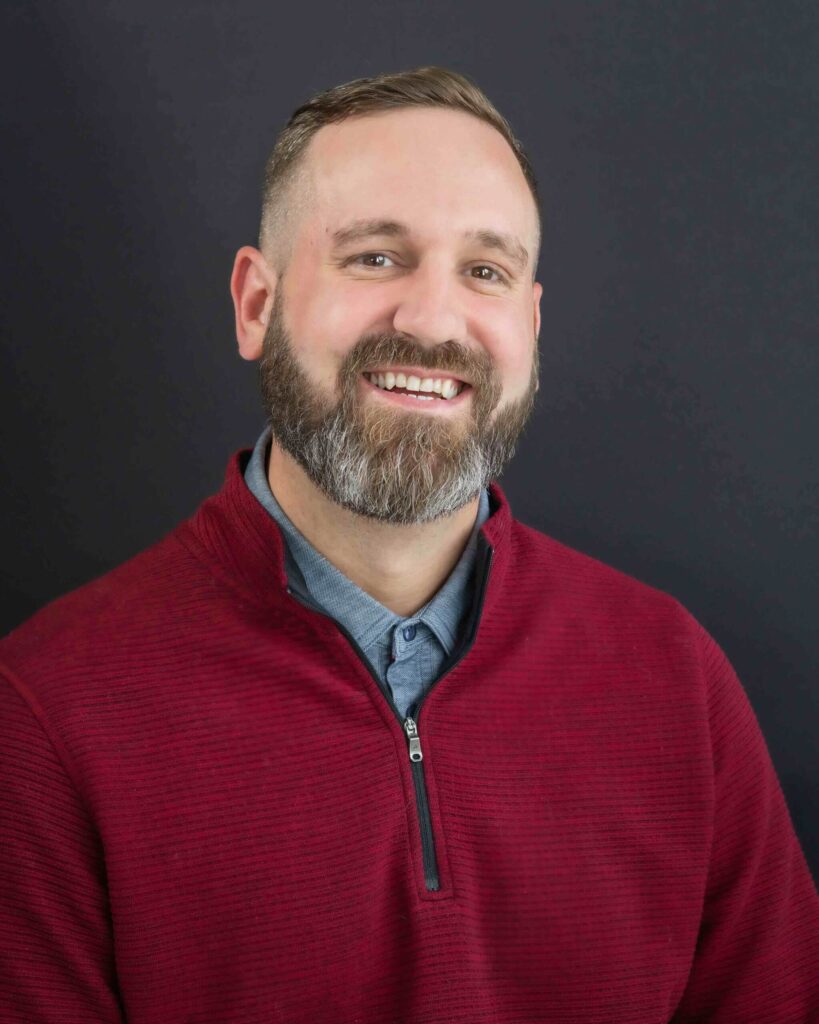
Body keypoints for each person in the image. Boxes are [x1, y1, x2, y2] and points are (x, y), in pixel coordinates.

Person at [0, 66, 817, 1024]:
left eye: (485, 271)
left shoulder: (675, 680)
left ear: (530, 323)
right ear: (255, 304)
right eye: (376, 258)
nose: (432, 320)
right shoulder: (47, 714)